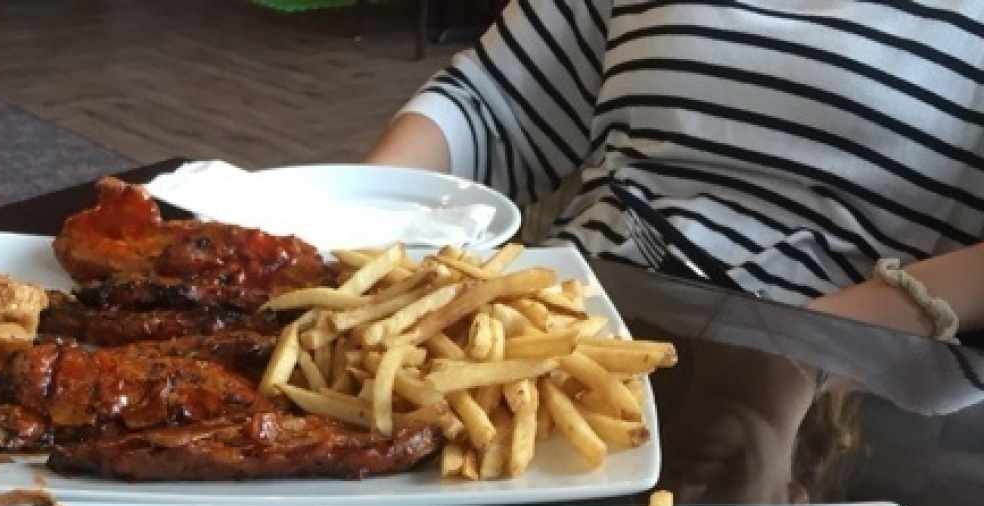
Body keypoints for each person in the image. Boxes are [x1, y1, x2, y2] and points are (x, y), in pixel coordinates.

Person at [367, 1, 984, 340]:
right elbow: (490, 106)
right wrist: (353, 221)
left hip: (842, 389)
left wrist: (812, 343)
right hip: (552, 329)